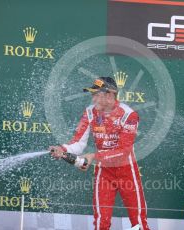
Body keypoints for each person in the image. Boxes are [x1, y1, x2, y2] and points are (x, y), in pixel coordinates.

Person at [49, 77, 150, 230]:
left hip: (127, 172)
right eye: (92, 94)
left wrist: (94, 156)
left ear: (110, 95)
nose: (93, 98)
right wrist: (62, 149)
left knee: (139, 223)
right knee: (101, 224)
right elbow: (78, 143)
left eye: (96, 94)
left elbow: (124, 151)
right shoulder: (90, 112)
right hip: (104, 173)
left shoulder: (129, 115)